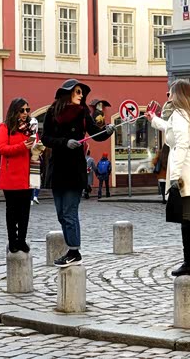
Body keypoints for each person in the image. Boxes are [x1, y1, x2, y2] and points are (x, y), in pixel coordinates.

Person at [41, 79, 115, 268]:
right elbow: (46, 138)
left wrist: (107, 131)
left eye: (82, 92)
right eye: (78, 92)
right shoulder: (52, 112)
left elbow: (95, 133)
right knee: (61, 214)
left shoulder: (82, 113)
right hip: (58, 168)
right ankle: (71, 250)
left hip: (75, 169)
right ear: (67, 93)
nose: (81, 95)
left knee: (69, 212)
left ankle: (74, 251)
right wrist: (64, 142)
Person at [146, 80, 190, 277]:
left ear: (177, 94)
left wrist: (175, 177)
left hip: (187, 174)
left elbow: (181, 145)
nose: (168, 97)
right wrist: (154, 119)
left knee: (188, 220)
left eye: (170, 93)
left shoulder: (179, 115)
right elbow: (171, 131)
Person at [0, 98, 37, 254]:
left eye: (27, 110)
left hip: (27, 175)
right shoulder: (5, 127)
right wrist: (22, 146)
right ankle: (12, 241)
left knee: (25, 211)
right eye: (22, 110)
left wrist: (38, 148)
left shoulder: (30, 129)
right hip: (11, 176)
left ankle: (22, 240)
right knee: (12, 211)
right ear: (14, 111)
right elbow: (2, 148)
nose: (25, 113)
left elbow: (34, 147)